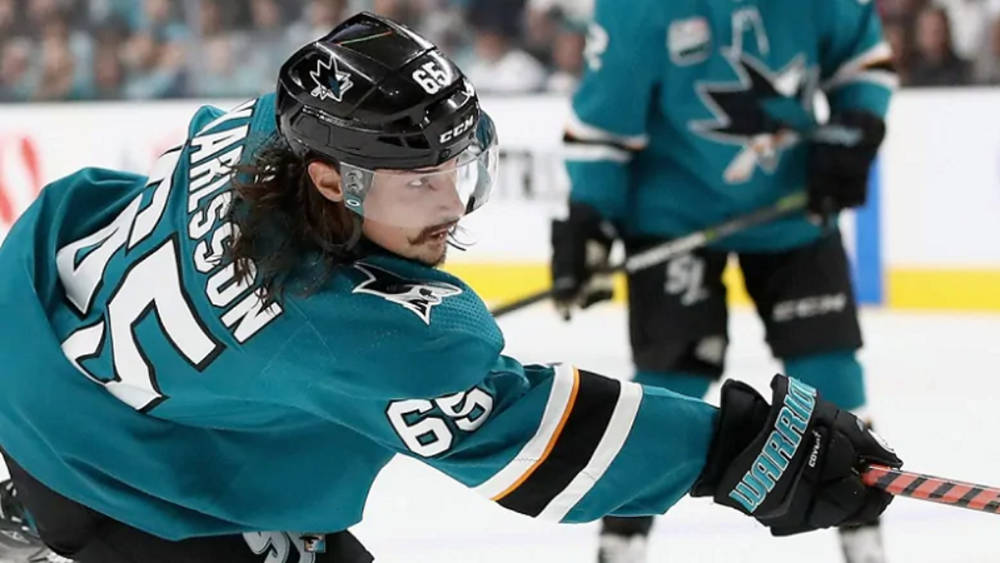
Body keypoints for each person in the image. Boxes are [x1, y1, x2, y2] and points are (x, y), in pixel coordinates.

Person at [0, 12, 900, 563]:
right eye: (421, 182)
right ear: (331, 180)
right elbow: (529, 438)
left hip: (41, 348)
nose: (452, 204)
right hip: (113, 474)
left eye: (457, 168)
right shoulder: (346, 331)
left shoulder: (261, 132)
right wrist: (737, 450)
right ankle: (56, 515)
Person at [551, 1, 897, 562]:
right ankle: (621, 543)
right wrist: (590, 218)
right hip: (674, 220)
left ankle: (864, 541)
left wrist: (854, 125)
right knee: (670, 379)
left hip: (794, 212)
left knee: (830, 371)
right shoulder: (642, 10)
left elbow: (863, 60)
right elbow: (602, 124)